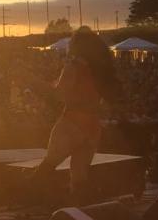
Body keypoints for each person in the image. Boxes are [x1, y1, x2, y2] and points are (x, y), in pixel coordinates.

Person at [29, 26, 120, 205]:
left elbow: (59, 95)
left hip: (72, 122)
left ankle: (28, 201)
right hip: (92, 126)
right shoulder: (99, 71)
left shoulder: (73, 67)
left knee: (47, 166)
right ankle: (79, 212)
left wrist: (33, 82)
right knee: (79, 177)